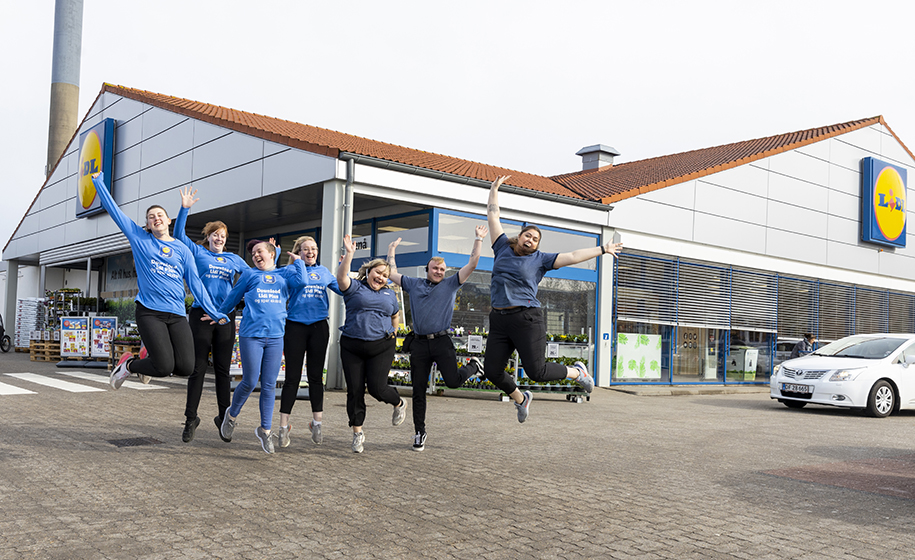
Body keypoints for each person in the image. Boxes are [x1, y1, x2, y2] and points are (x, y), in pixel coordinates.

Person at [485, 175, 622, 422]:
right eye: (528, 235)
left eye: (536, 239)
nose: (531, 240)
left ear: (538, 246)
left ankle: (576, 372)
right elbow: (493, 215)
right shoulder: (502, 247)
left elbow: (573, 255)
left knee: (536, 371)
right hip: (499, 319)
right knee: (492, 371)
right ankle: (521, 399)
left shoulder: (541, 260)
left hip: (526, 317)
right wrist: (494, 189)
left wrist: (602, 249)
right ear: (520, 236)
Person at [90, 173, 228, 393]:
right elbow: (115, 212)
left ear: (168, 220)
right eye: (151, 216)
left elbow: (195, 283)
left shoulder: (182, 250)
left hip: (176, 314)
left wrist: (214, 311)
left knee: (185, 367)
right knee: (163, 366)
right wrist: (98, 183)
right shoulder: (140, 239)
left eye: (160, 215)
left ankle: (147, 360)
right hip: (149, 312)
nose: (156, 218)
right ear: (147, 223)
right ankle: (128, 365)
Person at [386, 225, 488, 451]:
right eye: (435, 268)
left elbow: (472, 264)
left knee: (452, 381)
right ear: (427, 269)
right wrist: (391, 250)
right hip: (420, 343)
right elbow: (392, 273)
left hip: (442, 341)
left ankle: (473, 366)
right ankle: (419, 432)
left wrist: (478, 239)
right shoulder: (414, 284)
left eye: (442, 269)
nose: (439, 272)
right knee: (418, 390)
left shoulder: (451, 284)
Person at [211, 240, 309, 454]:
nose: (255, 255)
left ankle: (265, 431)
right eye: (253, 253)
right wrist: (217, 314)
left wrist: (299, 262)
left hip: (275, 337)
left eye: (259, 251)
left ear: (272, 254)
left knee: (269, 385)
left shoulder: (285, 274)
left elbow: (302, 283)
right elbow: (233, 297)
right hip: (251, 336)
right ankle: (231, 416)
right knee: (249, 380)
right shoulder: (249, 275)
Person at [172, 187, 249, 443]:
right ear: (208, 237)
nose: (219, 239)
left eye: (223, 236)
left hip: (225, 319)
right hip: (201, 316)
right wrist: (185, 209)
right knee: (197, 369)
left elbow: (255, 277)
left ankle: (222, 418)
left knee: (223, 371)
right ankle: (190, 418)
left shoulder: (234, 259)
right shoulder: (198, 252)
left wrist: (276, 256)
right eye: (216, 235)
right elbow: (177, 234)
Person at [336, 234, 407, 453]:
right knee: (355, 391)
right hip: (352, 345)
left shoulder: (389, 294)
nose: (382, 277)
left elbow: (395, 315)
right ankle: (358, 433)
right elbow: (341, 277)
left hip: (381, 346)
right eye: (378, 272)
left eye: (385, 275)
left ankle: (399, 403)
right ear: (368, 272)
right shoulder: (354, 287)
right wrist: (349, 255)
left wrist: (394, 332)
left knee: (377, 388)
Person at [274, 236, 342, 449]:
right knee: (292, 378)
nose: (310, 252)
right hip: (294, 327)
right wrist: (276, 257)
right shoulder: (291, 270)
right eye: (305, 249)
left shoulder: (324, 272)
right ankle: (283, 427)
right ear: (298, 252)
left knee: (315, 377)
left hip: (318, 328)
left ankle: (317, 423)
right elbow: (271, 278)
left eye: (313, 249)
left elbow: (344, 289)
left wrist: (344, 266)